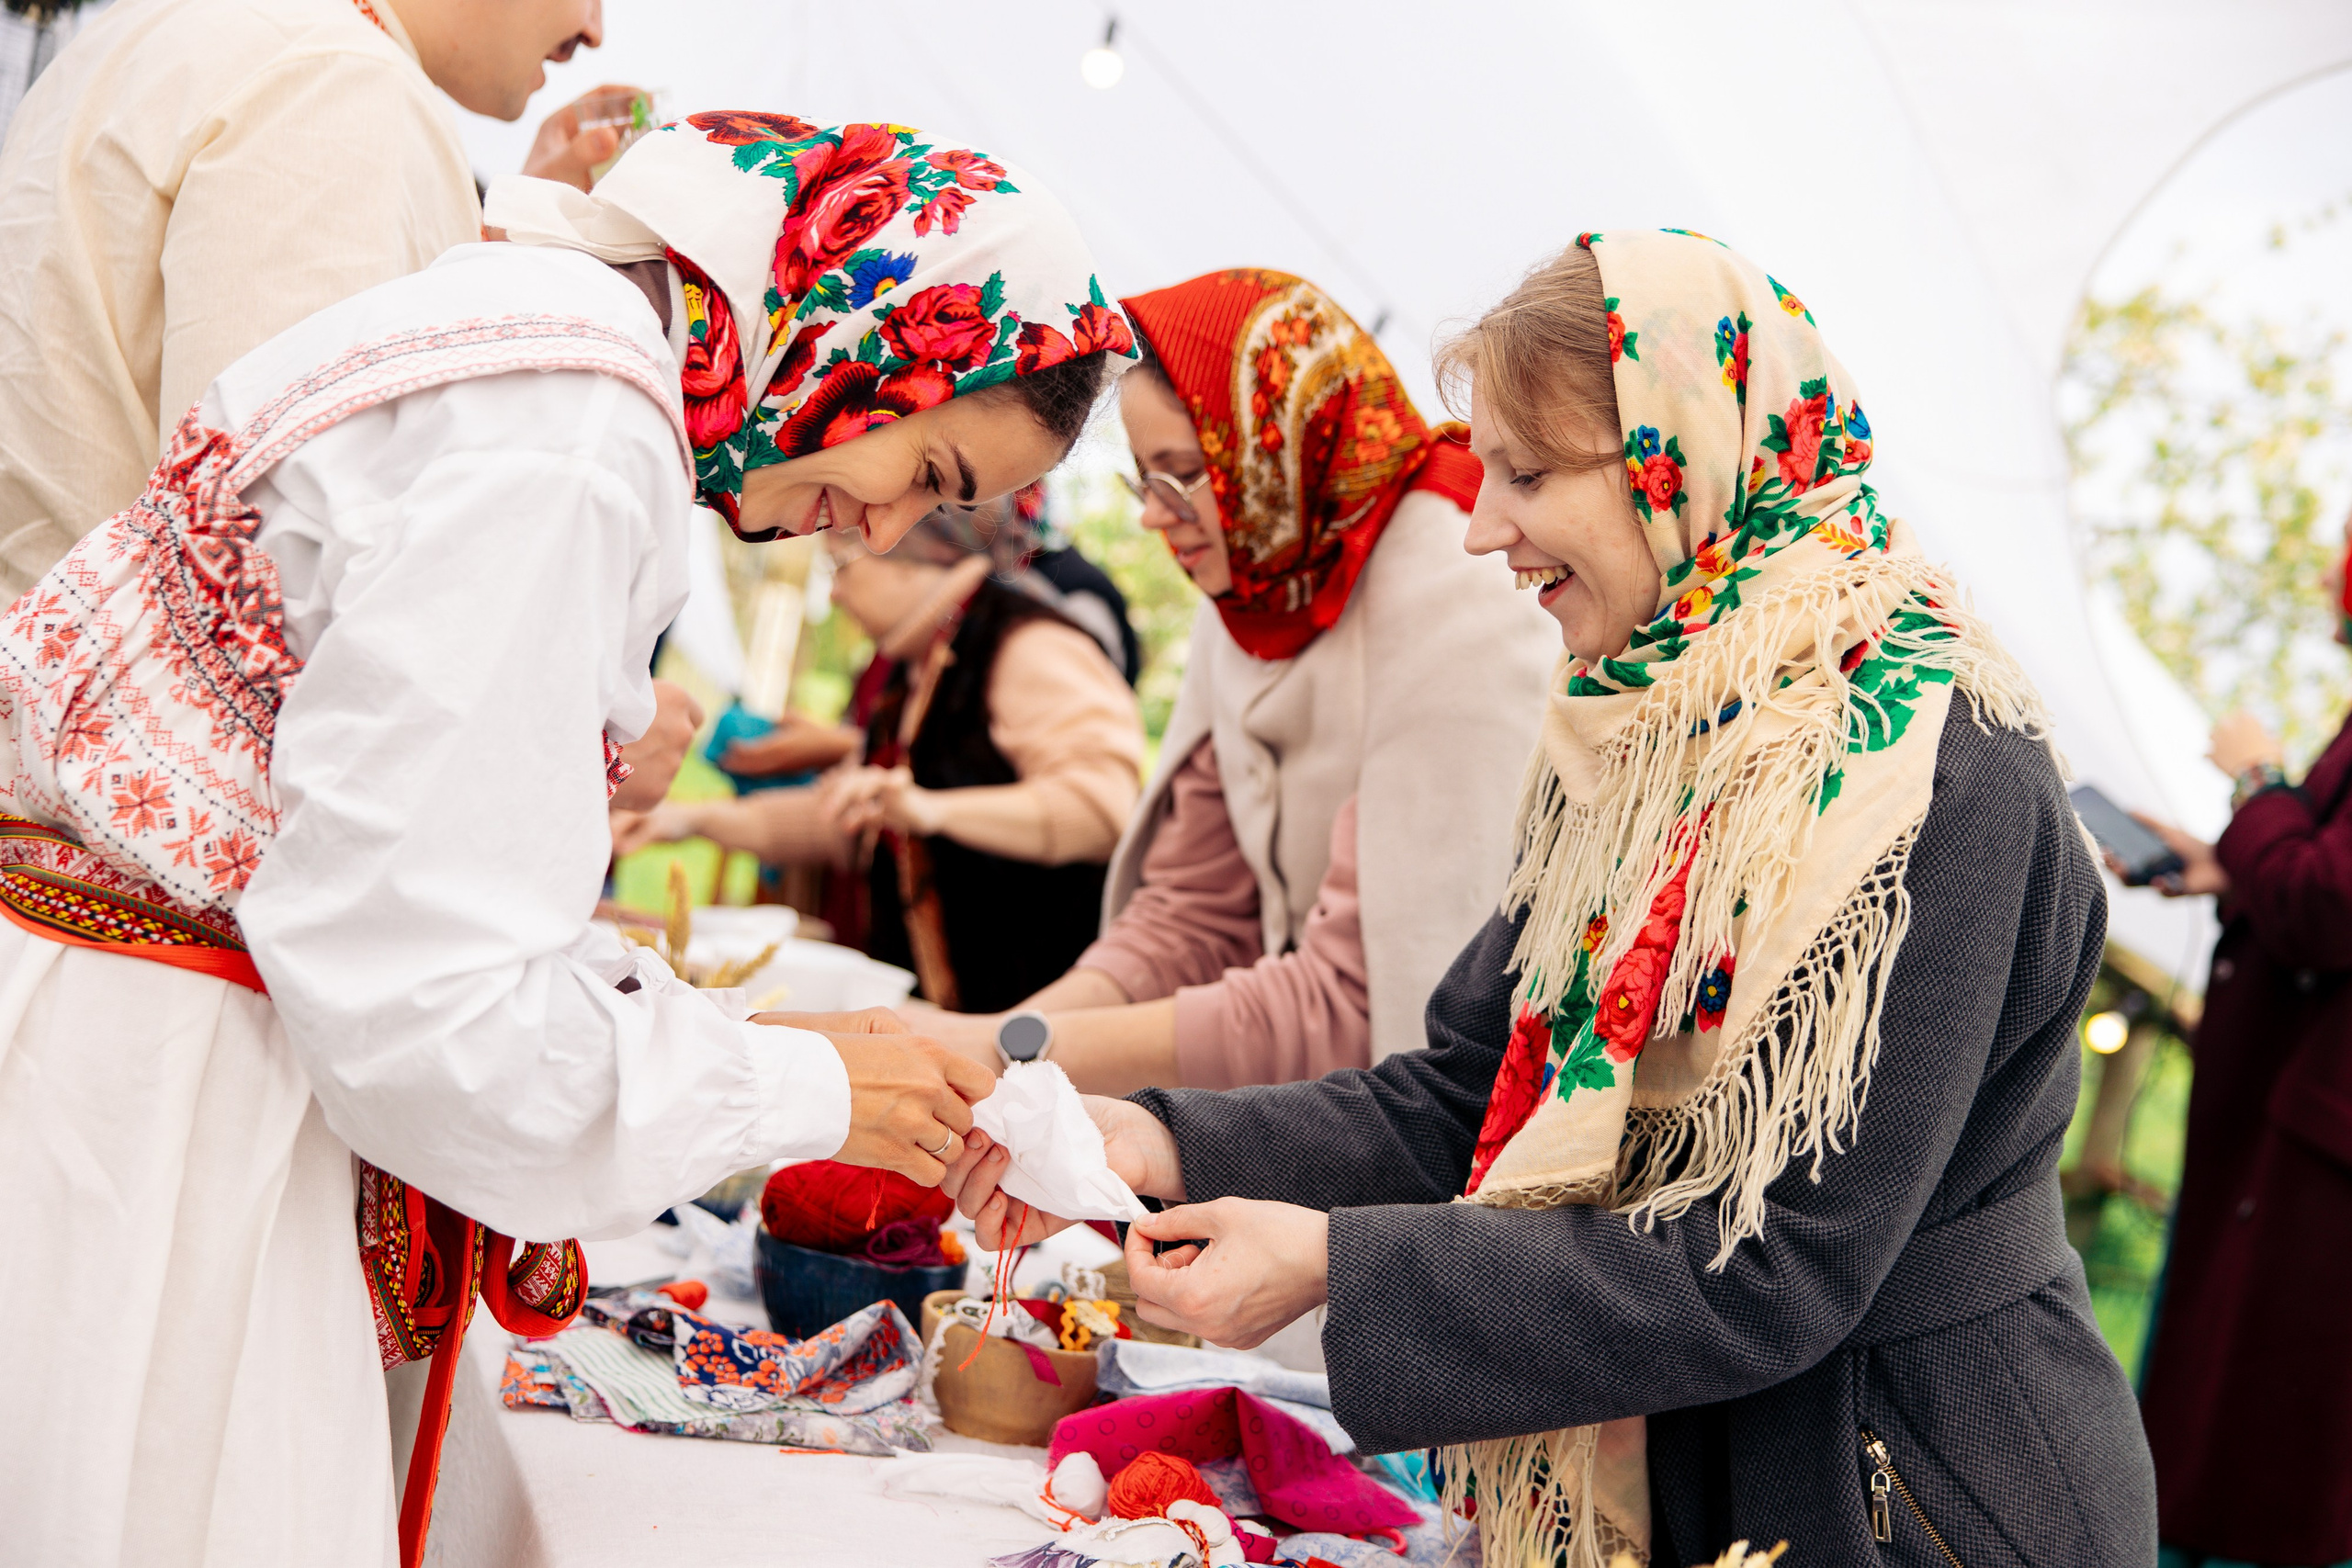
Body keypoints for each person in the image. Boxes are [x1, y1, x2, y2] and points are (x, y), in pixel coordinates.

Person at [0, 114, 1131, 1566]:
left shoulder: (546, 348)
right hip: (159, 1127)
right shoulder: (579, 432)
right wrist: (792, 1083)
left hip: (128, 1058)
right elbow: (431, 1017)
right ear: (880, 336)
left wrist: (738, 1042)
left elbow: (392, 887)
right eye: (930, 464)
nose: (880, 530)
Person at [948, 231, 2159, 1567]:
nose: (1480, 522)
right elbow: (1467, 1089)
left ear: (1681, 456)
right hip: (1705, 1454)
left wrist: (1339, 1264)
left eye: (1526, 472)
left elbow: (1779, 1263)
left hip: (1909, 1491)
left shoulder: (1938, 766)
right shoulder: (1643, 737)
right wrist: (1157, 1140)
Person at [910, 269, 1555, 1094]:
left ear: (1279, 441)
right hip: (1305, 1110)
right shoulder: (1260, 574)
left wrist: (998, 1056)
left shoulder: (1462, 589)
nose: (1152, 514)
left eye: (1181, 475)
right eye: (1144, 481)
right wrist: (1006, 1043)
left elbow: (1375, 997)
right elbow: (1192, 912)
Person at [0, 0, 627, 600]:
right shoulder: (341, 81)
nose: (596, 28)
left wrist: (496, 258)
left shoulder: (186, 23)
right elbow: (279, 571)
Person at [618, 504, 1145, 1012]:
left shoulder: (1029, 645)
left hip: (1025, 1017)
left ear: (917, 556)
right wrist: (688, 820)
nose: (836, 592)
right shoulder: (918, 658)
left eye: (840, 565)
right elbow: (852, 819)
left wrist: (930, 810)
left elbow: (1103, 811)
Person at [2129, 522, 2352, 1568]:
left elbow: (2324, 900)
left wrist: (2257, 781)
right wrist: (2226, 862)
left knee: (2254, 1473)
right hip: (2278, 1129)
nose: (2325, 581)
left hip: (2316, 1162)